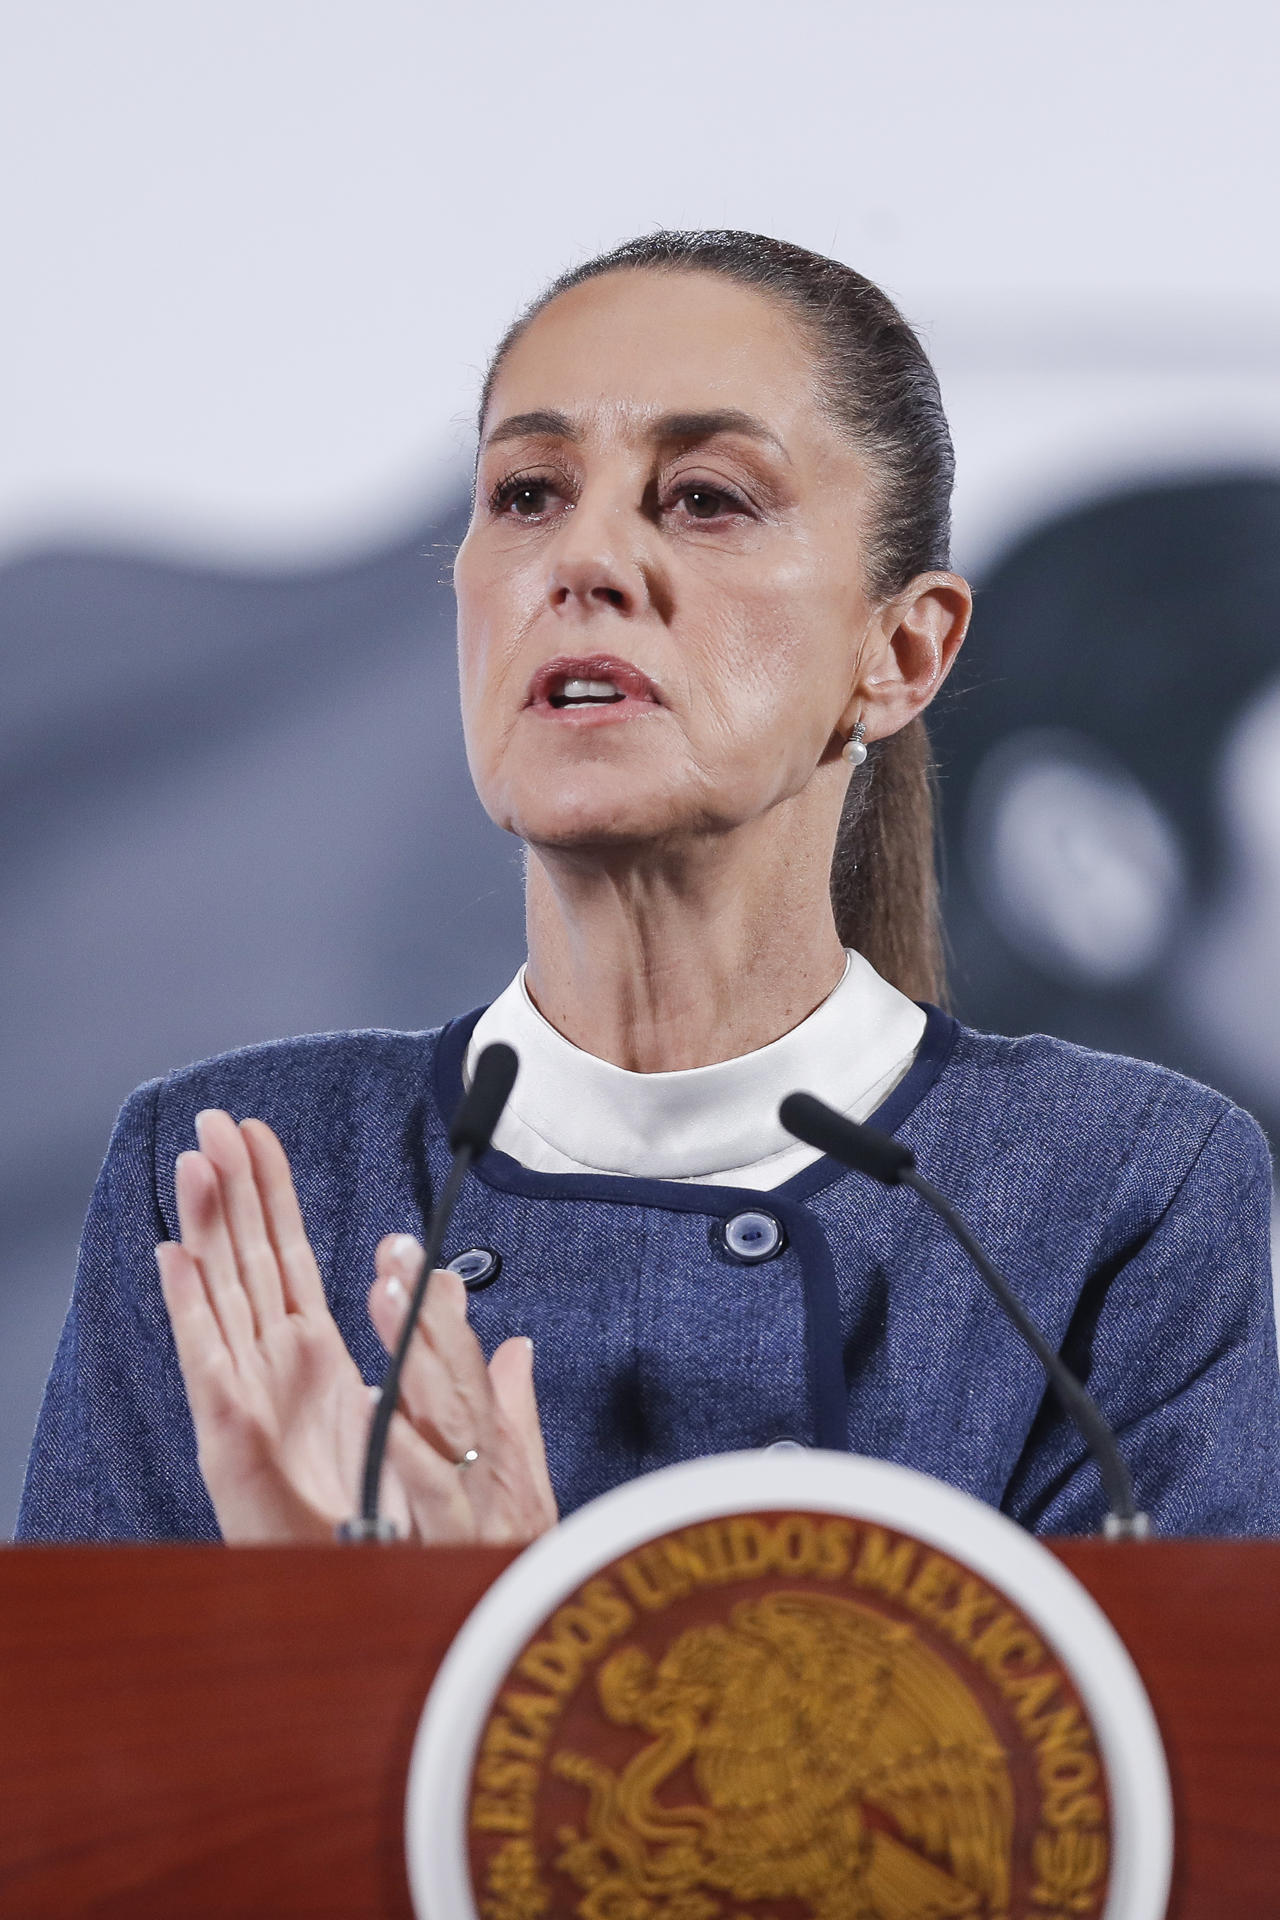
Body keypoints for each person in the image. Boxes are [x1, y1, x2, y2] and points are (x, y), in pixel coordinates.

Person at [17, 231, 1280, 1546]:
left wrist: (489, 1620)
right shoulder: (249, 1165)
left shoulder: (1127, 1186)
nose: (587, 561)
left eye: (708, 499)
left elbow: (1162, 1747)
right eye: (527, 494)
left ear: (903, 653)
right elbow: (75, 1742)